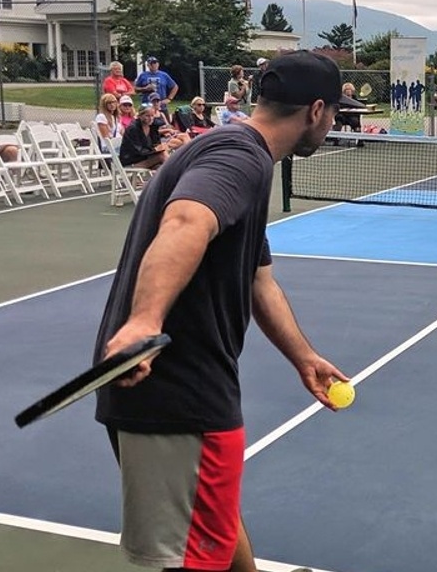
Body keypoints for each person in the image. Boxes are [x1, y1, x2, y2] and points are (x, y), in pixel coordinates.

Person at [93, 50, 348, 572]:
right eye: (337, 114)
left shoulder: (236, 153)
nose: (334, 123)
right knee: (195, 557)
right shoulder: (239, 156)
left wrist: (303, 357)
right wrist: (145, 321)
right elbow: (187, 221)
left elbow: (258, 278)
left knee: (216, 525)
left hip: (191, 386)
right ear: (316, 110)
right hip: (175, 387)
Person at [118, 103, 168, 170]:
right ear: (140, 116)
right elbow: (138, 150)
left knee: (160, 167)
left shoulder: (153, 127)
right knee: (161, 156)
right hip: (131, 162)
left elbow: (156, 144)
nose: (150, 118)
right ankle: (178, 173)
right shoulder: (133, 129)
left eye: (152, 116)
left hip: (146, 159)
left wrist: (160, 147)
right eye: (147, 116)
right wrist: (155, 150)